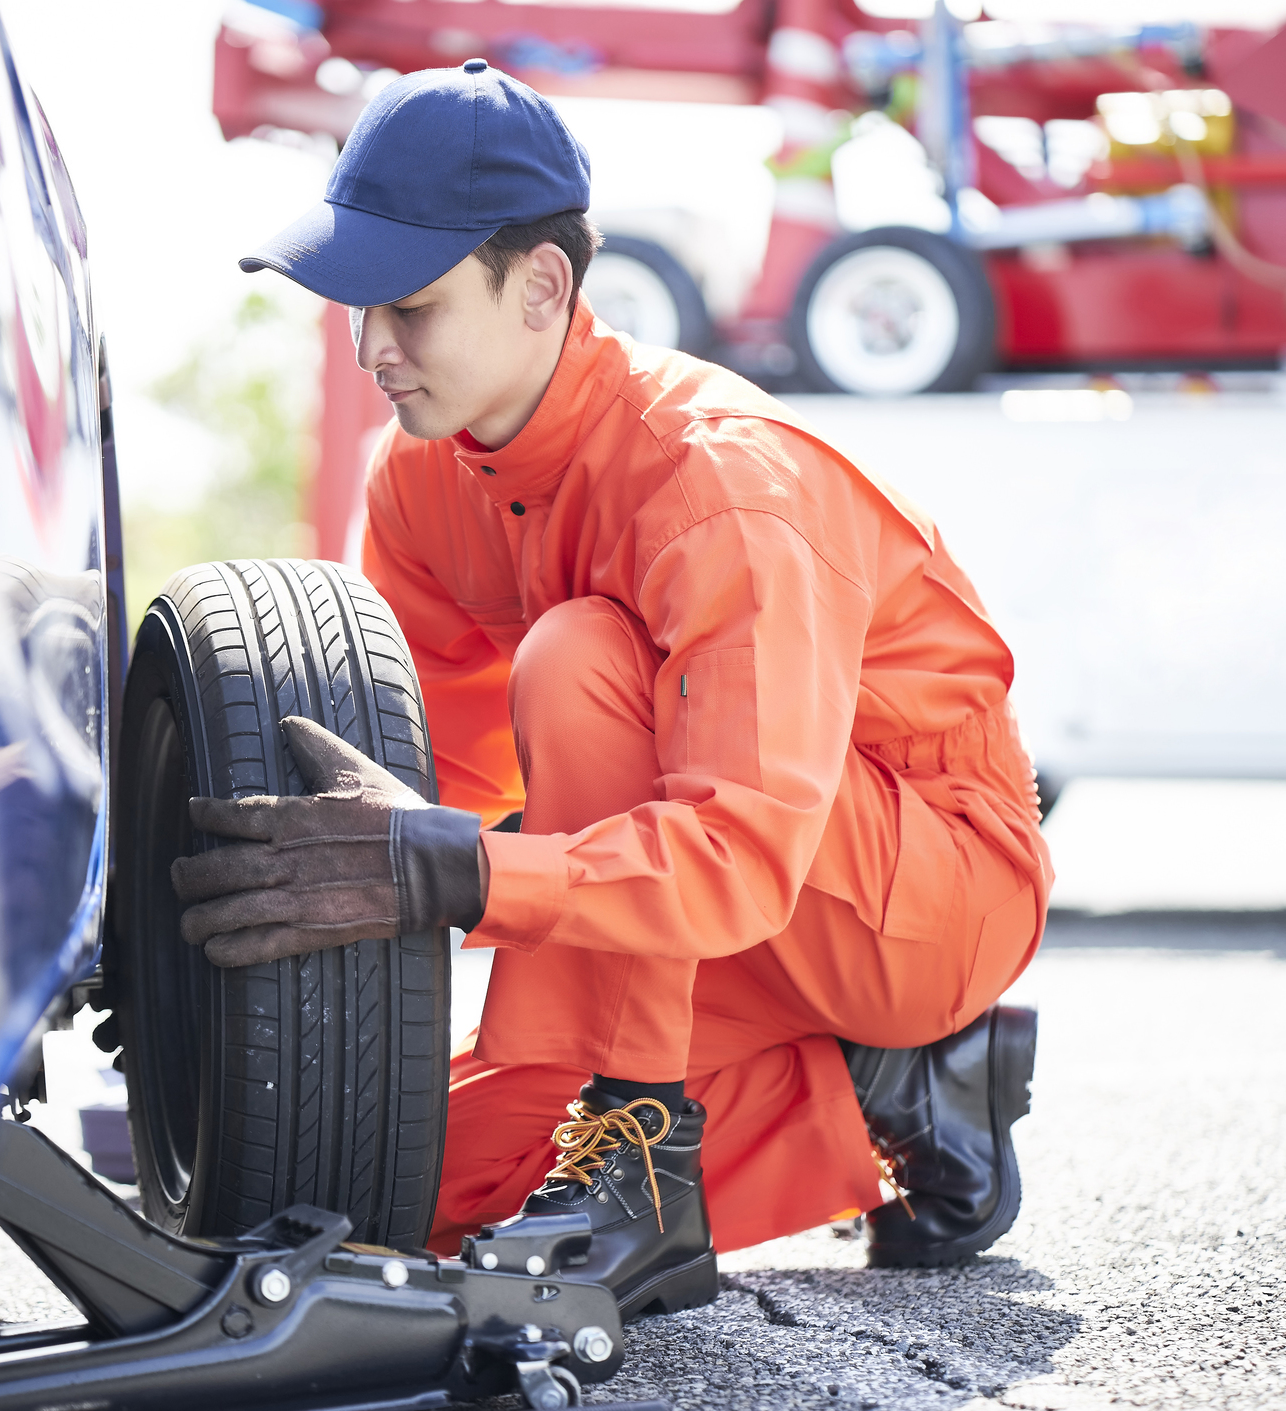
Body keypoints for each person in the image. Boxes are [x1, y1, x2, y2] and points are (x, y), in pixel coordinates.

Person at [171, 60, 1051, 1320]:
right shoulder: (419, 481)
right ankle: (889, 1096)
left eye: (406, 307)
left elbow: (736, 853)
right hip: (701, 916)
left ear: (540, 288)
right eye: (353, 306)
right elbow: (432, 803)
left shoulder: (717, 489)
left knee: (581, 656)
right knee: (364, 1200)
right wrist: (230, 973)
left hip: (917, 888)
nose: (369, 347)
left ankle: (645, 1169)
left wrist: (455, 868)